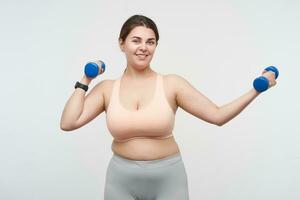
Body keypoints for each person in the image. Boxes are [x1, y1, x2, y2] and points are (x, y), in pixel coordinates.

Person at [60, 14, 276, 200]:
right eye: (136, 40)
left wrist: (256, 90)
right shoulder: (107, 89)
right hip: (120, 179)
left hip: (168, 178)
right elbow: (68, 123)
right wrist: (86, 79)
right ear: (121, 43)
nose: (143, 48)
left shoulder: (172, 84)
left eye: (150, 42)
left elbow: (218, 116)